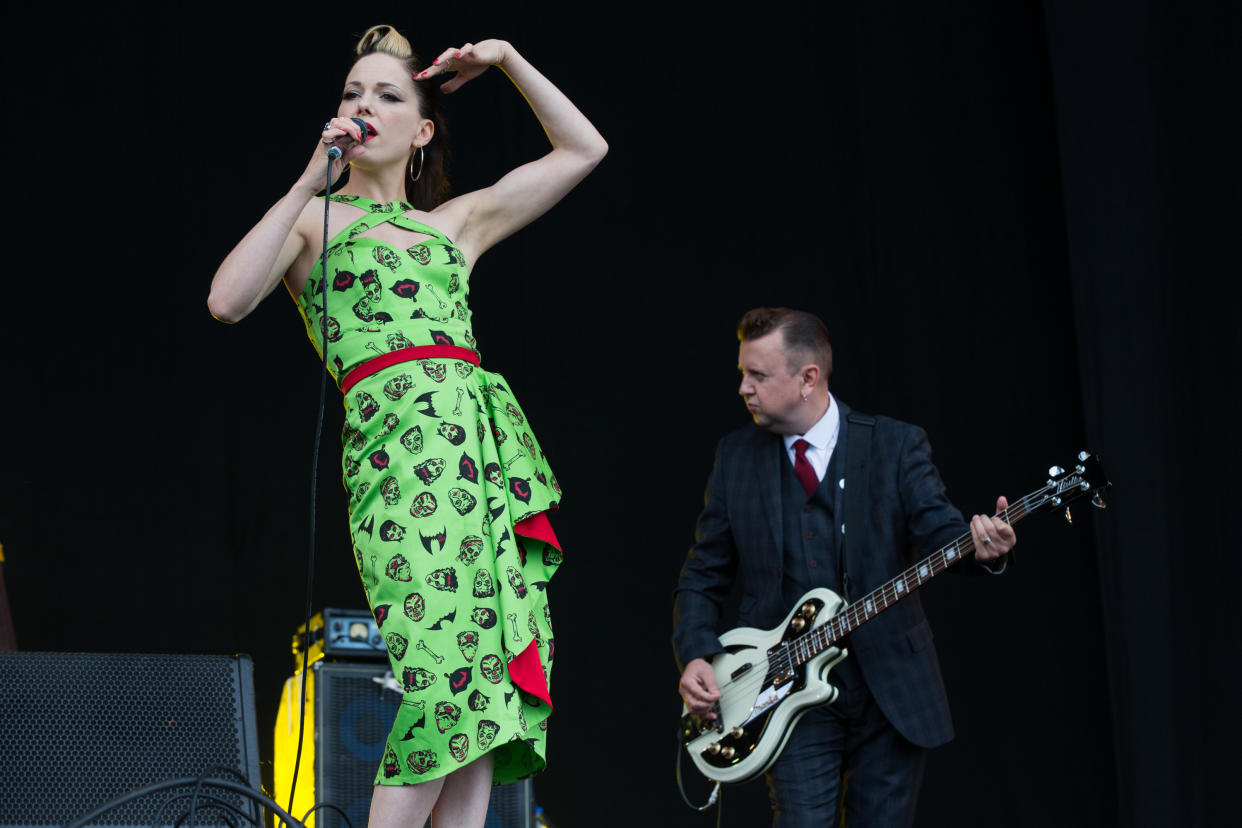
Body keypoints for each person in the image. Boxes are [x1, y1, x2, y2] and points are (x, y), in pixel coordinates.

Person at [208, 25, 606, 828]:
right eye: (352, 94)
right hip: (397, 463)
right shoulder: (316, 225)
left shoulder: (452, 226)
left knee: (486, 688)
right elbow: (227, 299)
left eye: (386, 95)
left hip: (478, 464)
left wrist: (503, 60)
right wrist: (305, 182)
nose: (363, 106)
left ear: (422, 131)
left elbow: (583, 149)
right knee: (440, 676)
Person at [673, 307, 1016, 827]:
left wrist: (985, 547)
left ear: (808, 378)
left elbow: (940, 533)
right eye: (743, 373)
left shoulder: (894, 445)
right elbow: (703, 573)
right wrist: (697, 653)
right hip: (784, 694)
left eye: (758, 375)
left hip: (891, 692)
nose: (743, 387)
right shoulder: (736, 457)